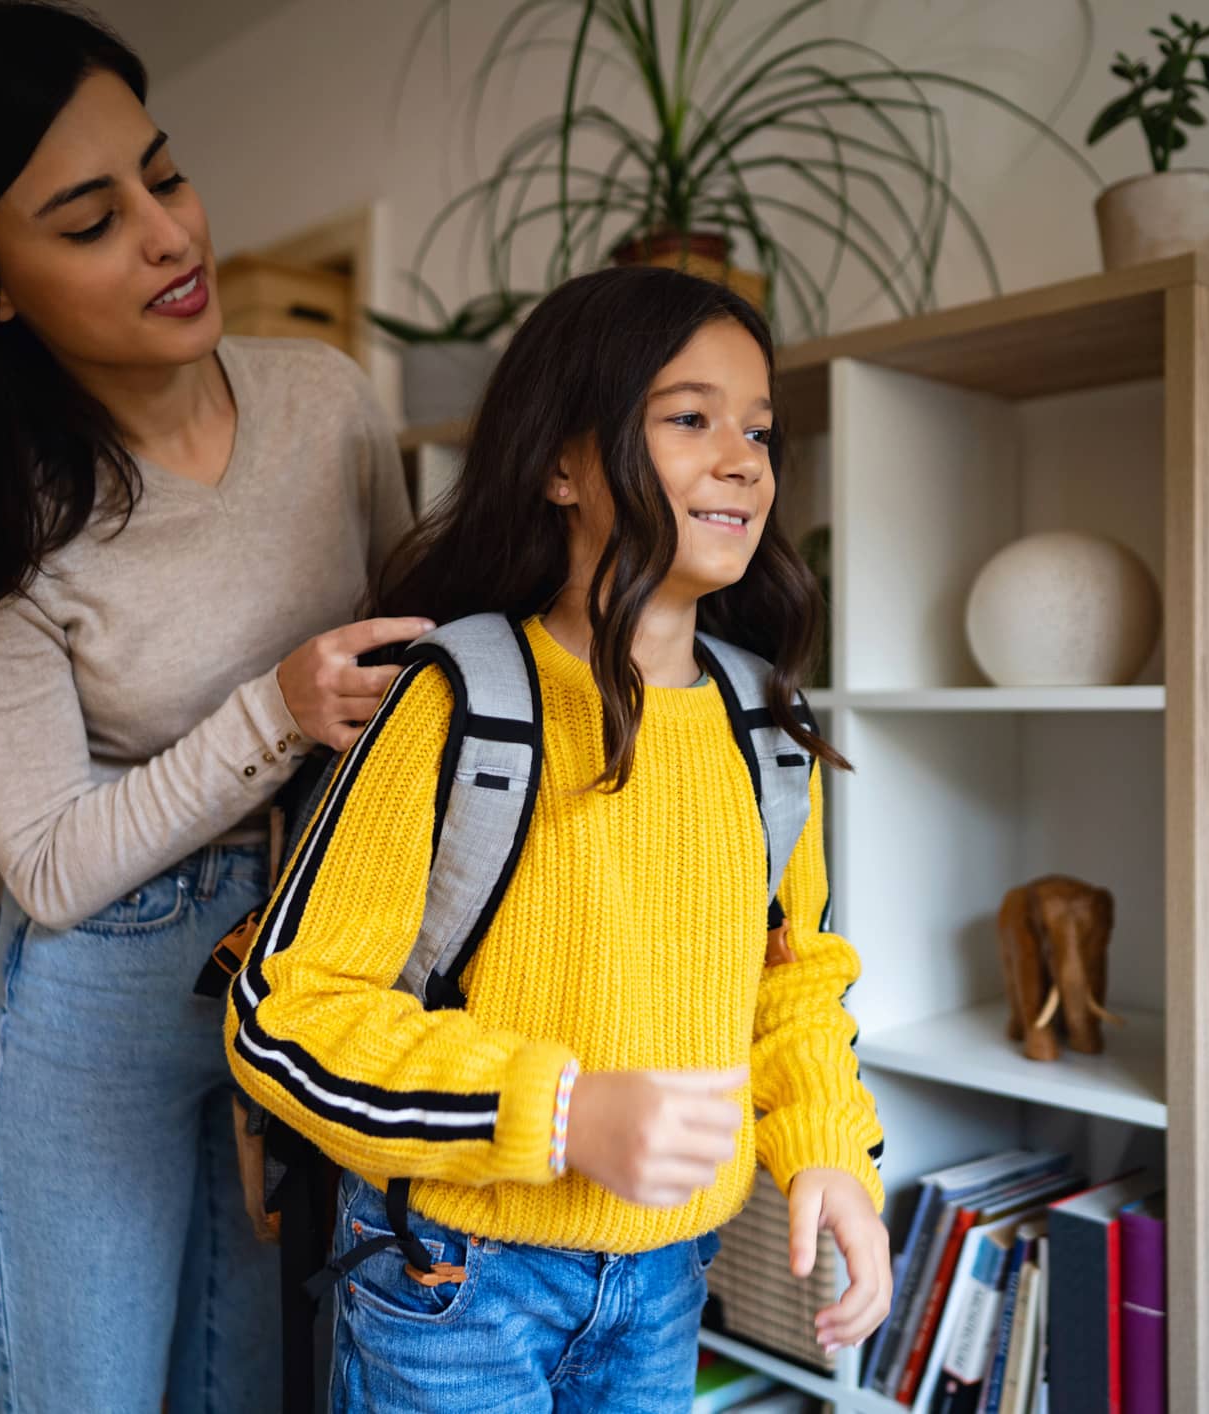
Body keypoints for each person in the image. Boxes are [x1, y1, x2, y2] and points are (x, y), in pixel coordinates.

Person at [0, 4, 423, 1409]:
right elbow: (46, 860)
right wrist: (275, 711)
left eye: (164, 177)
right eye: (90, 220)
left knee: (249, 1382)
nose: (170, 237)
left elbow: (410, 681)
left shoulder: (332, 400)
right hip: (102, 983)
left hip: (307, 954)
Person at [224, 265, 892, 1413]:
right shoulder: (458, 704)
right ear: (561, 465)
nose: (744, 459)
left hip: (670, 1281)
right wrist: (564, 1113)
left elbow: (794, 983)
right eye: (690, 418)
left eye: (761, 430)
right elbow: (286, 1012)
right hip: (457, 1285)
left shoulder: (765, 727)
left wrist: (828, 1147)